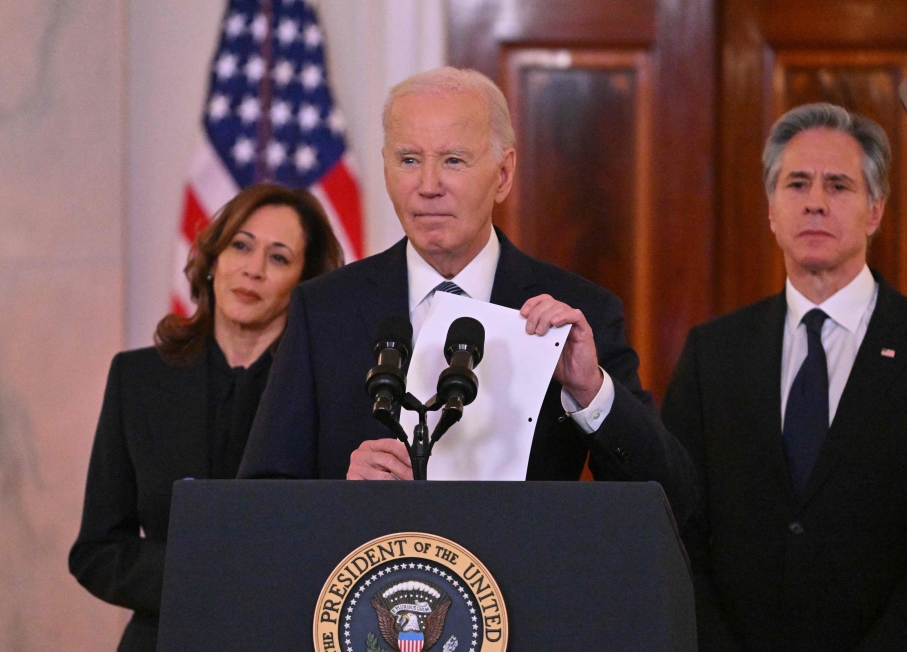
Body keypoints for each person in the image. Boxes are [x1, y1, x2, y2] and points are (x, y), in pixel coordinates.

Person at [238, 67, 695, 525]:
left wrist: (589, 389)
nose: (429, 185)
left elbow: (670, 499)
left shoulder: (577, 314)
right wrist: (343, 490)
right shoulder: (324, 310)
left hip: (519, 589)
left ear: (503, 174)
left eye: (454, 160)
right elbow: (258, 501)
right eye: (409, 160)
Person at [662, 103, 907, 651]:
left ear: (875, 211)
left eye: (839, 186)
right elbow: (677, 527)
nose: (815, 202)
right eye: (797, 184)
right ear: (772, 209)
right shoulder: (713, 354)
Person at [68, 183, 342, 652]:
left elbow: (337, 543)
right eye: (240, 246)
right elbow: (97, 551)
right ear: (213, 261)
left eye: (278, 258)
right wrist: (200, 577)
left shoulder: (327, 391)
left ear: (303, 284)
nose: (252, 270)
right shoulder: (137, 379)